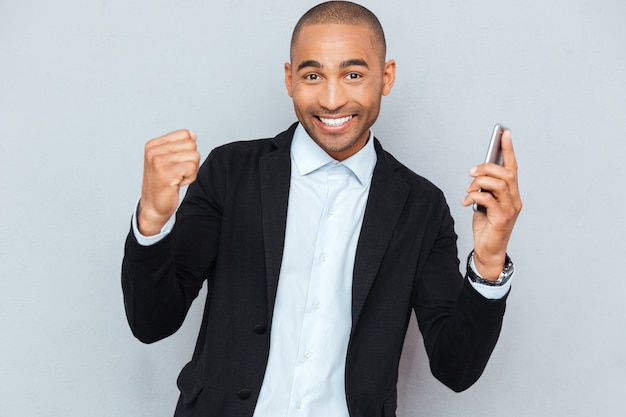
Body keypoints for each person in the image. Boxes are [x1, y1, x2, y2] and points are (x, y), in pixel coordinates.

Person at [121, 1, 522, 416]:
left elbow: (455, 369)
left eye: (353, 75)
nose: (332, 100)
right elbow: (152, 322)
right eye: (313, 75)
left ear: (386, 78)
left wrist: (489, 263)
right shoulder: (230, 173)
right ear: (289, 79)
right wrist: (152, 220)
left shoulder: (422, 207)